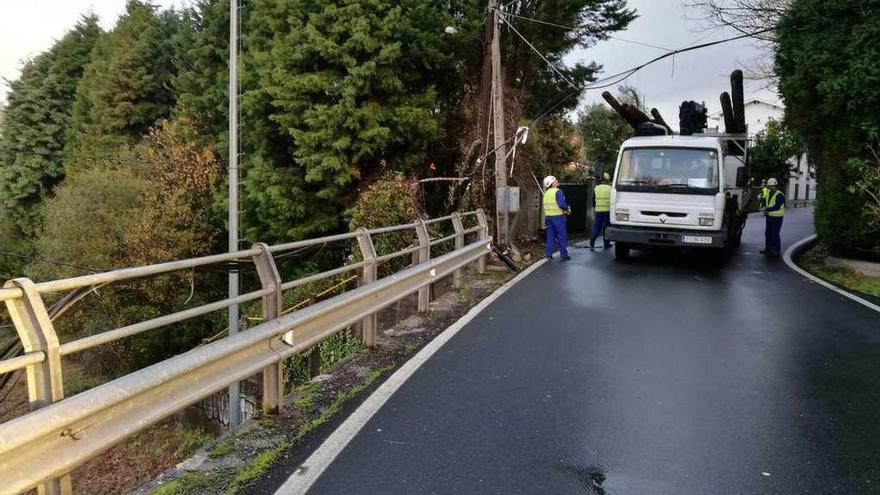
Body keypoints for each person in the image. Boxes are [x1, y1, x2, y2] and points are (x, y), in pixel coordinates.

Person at [542, 175, 571, 261]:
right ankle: (564, 255)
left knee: (550, 236)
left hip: (549, 218)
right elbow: (561, 204)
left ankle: (549, 254)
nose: (557, 181)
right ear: (552, 183)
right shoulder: (558, 192)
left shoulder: (546, 193)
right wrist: (567, 209)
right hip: (558, 217)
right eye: (555, 180)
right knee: (561, 236)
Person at [761, 178, 785, 256]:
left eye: (771, 186)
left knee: (775, 234)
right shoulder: (768, 193)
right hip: (769, 217)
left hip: (777, 217)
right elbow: (765, 202)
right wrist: (762, 199)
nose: (769, 188)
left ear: (775, 186)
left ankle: (777, 250)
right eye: (769, 186)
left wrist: (767, 209)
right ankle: (768, 249)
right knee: (768, 233)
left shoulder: (780, 195)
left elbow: (777, 206)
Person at [590, 172, 613, 250]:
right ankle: (606, 244)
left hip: (599, 211)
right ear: (607, 180)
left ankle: (592, 244)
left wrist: (596, 207)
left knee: (597, 227)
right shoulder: (610, 188)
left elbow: (593, 201)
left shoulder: (596, 188)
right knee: (606, 227)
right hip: (608, 211)